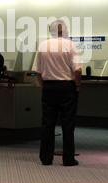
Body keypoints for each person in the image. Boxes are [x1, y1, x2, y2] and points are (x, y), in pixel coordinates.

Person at [33, 20, 82, 166]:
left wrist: (44, 86)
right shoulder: (70, 45)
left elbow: (37, 71)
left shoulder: (43, 45)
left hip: (48, 87)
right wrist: (77, 85)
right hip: (67, 87)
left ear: (51, 31)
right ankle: (68, 159)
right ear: (65, 31)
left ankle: (46, 158)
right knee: (68, 124)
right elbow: (78, 70)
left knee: (47, 124)